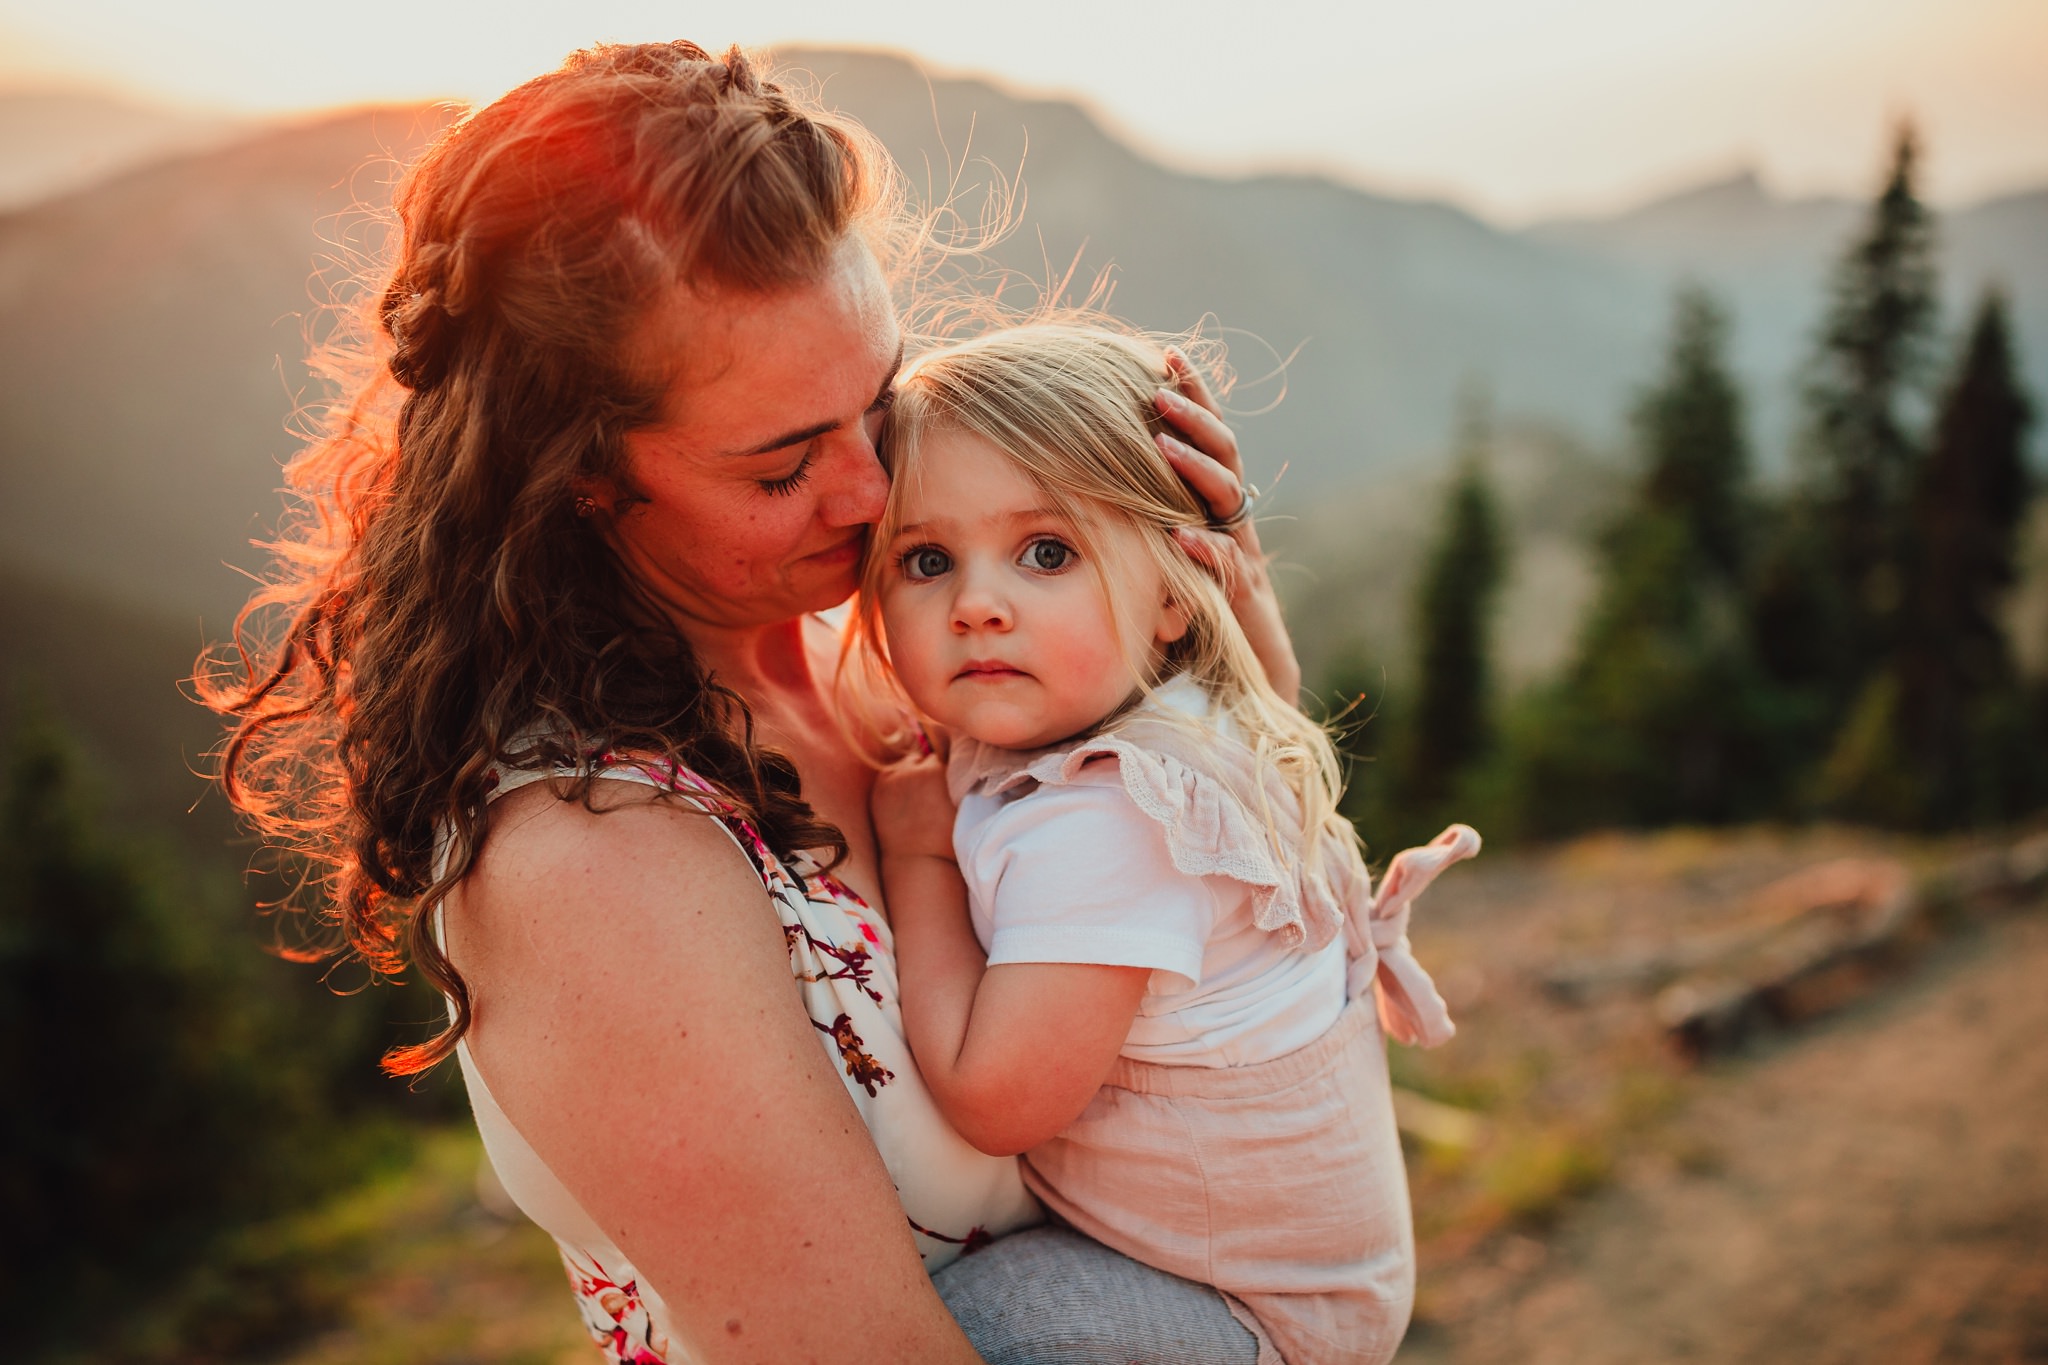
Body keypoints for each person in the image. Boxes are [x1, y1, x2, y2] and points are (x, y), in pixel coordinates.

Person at [203, 39, 1304, 1365]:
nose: (864, 493)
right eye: (782, 467)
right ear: (581, 479)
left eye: (877, 403)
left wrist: (1212, 652)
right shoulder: (596, 856)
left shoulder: (890, 624)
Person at [851, 324, 1480, 1365]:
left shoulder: (1112, 816)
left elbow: (994, 1096)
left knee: (926, 1336)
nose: (975, 605)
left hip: (1243, 1306)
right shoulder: (1179, 713)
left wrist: (916, 854)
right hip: (1294, 1266)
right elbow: (1264, 682)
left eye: (1045, 552)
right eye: (925, 559)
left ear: (1174, 600)